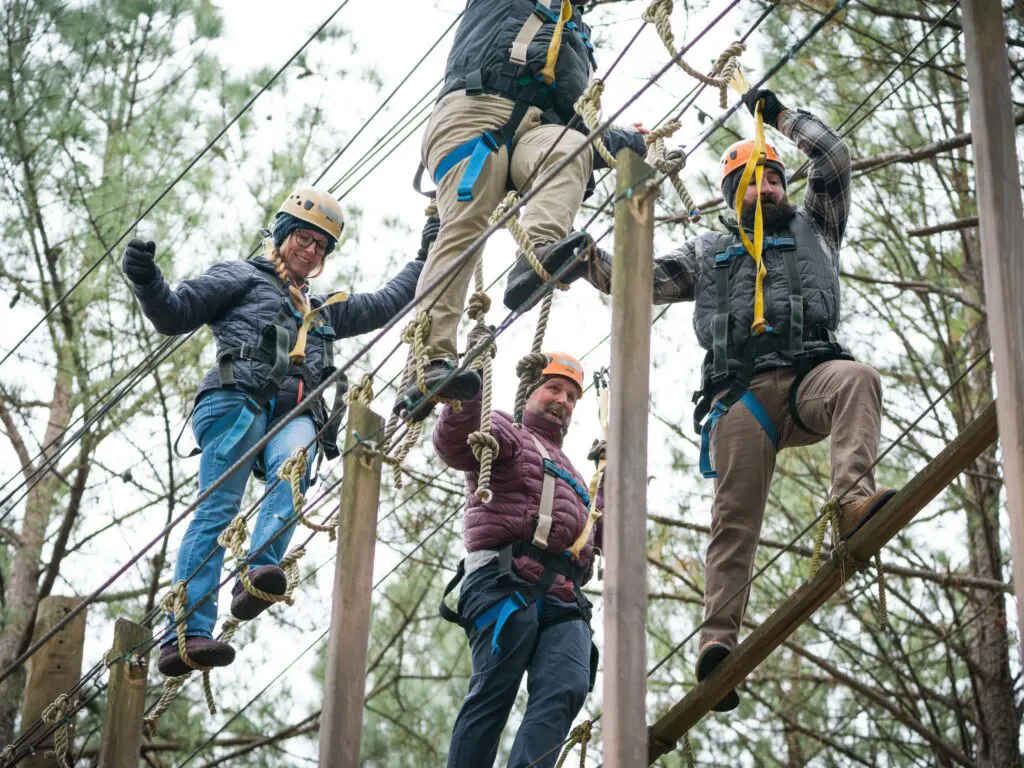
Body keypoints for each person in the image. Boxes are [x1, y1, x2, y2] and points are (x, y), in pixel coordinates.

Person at [530, 88, 895, 711]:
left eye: (776, 178)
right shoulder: (707, 252)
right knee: (733, 523)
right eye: (755, 181)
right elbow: (637, 278)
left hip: (812, 378)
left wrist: (782, 118)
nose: (770, 189)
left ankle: (851, 503)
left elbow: (832, 158)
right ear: (732, 195)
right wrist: (585, 260)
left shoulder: (818, 228)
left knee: (859, 378)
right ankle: (718, 640)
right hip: (742, 396)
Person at [122, 186, 426, 677]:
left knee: (297, 464)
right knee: (218, 510)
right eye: (304, 239)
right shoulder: (242, 277)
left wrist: (428, 251)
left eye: (321, 247)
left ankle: (258, 574)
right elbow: (175, 313)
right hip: (236, 400)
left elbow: (389, 302)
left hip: (291, 413)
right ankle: (185, 635)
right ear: (283, 235)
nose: (311, 251)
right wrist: (145, 277)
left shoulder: (324, 309)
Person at [394, 0, 647, 419]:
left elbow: (576, 128)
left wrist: (624, 140)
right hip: (475, 110)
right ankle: (428, 360)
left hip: (539, 128)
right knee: (466, 223)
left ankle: (539, 253)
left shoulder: (575, 33)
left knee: (569, 149)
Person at [434, 343, 603, 768]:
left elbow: (602, 542)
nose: (562, 401)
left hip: (563, 595)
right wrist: (466, 395)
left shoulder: (581, 480)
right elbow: (457, 444)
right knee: (496, 683)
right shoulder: (509, 433)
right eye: (553, 389)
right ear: (530, 391)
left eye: (570, 397)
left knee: (566, 686)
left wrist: (614, 485)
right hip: (504, 578)